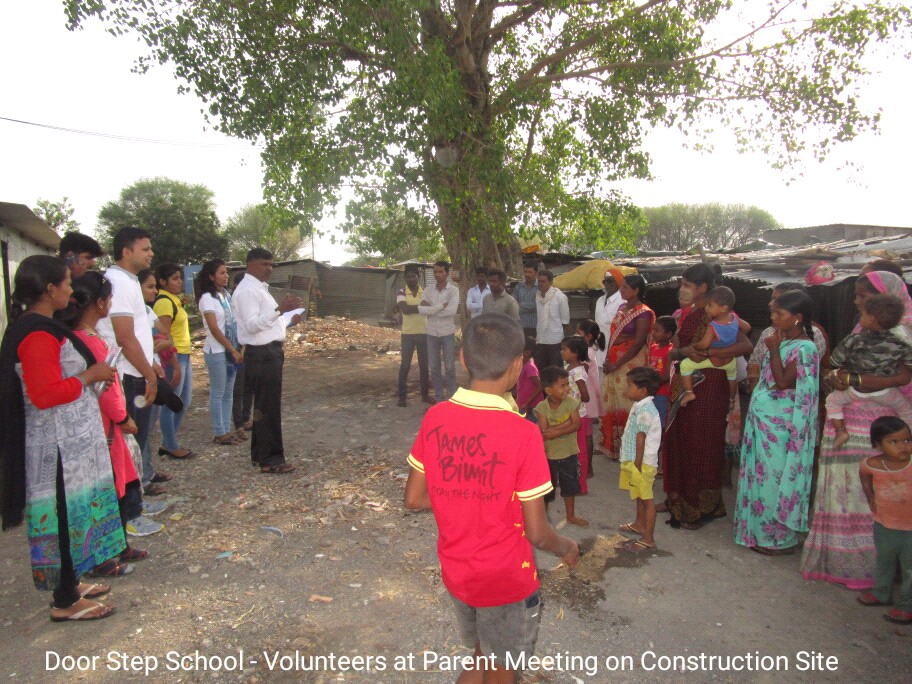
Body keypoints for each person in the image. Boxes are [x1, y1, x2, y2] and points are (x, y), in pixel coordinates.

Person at [404, 314, 579, 683]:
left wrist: (464, 496)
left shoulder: (436, 416)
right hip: (505, 581)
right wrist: (566, 547)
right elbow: (537, 532)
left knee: (482, 653)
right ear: (518, 365)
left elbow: (414, 498)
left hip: (459, 574)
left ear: (462, 358)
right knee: (502, 667)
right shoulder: (524, 433)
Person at [0, 255, 121, 622]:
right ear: (50, 289)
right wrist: (89, 376)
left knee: (73, 515)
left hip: (67, 446)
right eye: (67, 283)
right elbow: (44, 394)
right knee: (63, 519)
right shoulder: (37, 334)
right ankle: (65, 601)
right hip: (55, 450)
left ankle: (71, 583)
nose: (71, 289)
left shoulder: (43, 326)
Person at [801, 270, 912, 588]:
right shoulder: (864, 331)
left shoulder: (903, 333)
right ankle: (845, 562)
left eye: (864, 296)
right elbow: (836, 367)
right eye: (858, 296)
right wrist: (837, 377)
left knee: (870, 495)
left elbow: (903, 378)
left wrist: (853, 379)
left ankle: (875, 569)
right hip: (852, 420)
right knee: (845, 493)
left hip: (877, 425)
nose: (857, 302)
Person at [64, 271, 163, 567]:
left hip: (106, 425)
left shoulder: (84, 337)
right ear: (99, 303)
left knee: (120, 482)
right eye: (108, 299)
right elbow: (107, 389)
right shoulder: (90, 342)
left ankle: (118, 544)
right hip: (107, 427)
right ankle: (106, 551)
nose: (110, 304)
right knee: (111, 486)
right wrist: (122, 417)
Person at [662, 264, 753, 529]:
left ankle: (700, 507)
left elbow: (746, 345)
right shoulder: (690, 313)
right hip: (687, 383)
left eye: (687, 284)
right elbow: (678, 349)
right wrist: (683, 353)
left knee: (702, 445)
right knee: (681, 441)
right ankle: (678, 501)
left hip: (710, 387)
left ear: (702, 287)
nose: (682, 289)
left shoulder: (719, 314)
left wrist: (708, 353)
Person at [734, 290, 820, 555]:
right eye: (772, 312)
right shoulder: (783, 341)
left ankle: (778, 540)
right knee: (759, 478)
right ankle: (758, 533)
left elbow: (783, 382)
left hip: (782, 427)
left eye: (779, 313)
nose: (773, 317)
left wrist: (772, 350)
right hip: (764, 421)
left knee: (774, 479)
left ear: (797, 317)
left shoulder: (805, 348)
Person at [95, 227, 164, 491]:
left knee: (137, 443)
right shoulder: (119, 282)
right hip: (127, 376)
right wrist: (149, 375)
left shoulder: (129, 280)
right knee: (128, 445)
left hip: (136, 371)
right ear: (126, 252)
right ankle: (131, 507)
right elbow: (125, 337)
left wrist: (150, 364)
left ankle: (136, 501)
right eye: (145, 249)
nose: (151, 253)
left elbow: (138, 332)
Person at [232, 247, 302, 474]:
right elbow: (252, 325)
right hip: (261, 354)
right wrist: (280, 309)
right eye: (264, 264)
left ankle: (260, 454)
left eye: (271, 264)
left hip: (269, 352)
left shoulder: (260, 289)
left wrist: (287, 319)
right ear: (250, 264)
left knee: (264, 407)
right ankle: (271, 459)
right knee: (268, 407)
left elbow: (268, 324)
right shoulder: (247, 291)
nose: (269, 269)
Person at [828, 294, 912, 448]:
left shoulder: (854, 339)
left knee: (832, 401)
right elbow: (909, 363)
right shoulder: (901, 344)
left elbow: (835, 361)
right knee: (906, 410)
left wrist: (842, 367)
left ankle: (840, 431)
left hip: (855, 390)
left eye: (862, 314)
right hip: (886, 393)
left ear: (871, 318)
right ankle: (907, 438)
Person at [857, 416, 912, 624]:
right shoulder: (871, 464)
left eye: (907, 440)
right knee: (884, 561)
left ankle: (906, 606)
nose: (903, 446)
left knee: (909, 569)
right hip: (884, 525)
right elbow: (864, 476)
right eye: (894, 442)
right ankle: (881, 593)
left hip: (910, 529)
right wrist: (870, 497)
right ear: (878, 444)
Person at [600, 274, 654, 460]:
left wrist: (617, 363)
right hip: (613, 361)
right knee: (611, 401)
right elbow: (614, 335)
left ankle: (629, 448)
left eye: (625, 287)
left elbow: (638, 342)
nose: (621, 290)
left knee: (628, 403)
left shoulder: (644, 312)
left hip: (630, 363)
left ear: (636, 290)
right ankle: (612, 445)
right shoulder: (621, 308)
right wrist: (608, 359)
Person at [746, 282, 829, 393]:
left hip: (786, 400)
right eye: (772, 299)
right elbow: (754, 362)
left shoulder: (812, 337)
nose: (770, 303)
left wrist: (774, 350)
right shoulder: (768, 332)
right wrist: (754, 388)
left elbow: (787, 382)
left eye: (776, 299)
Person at [678, 286, 750, 408]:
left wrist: (695, 346)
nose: (706, 308)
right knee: (732, 377)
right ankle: (731, 399)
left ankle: (689, 392)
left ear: (723, 308)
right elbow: (747, 328)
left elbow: (704, 345)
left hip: (714, 360)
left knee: (685, 365)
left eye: (710, 305)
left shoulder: (713, 326)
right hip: (729, 360)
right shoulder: (734, 318)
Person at [197, 259, 244, 445]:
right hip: (217, 350)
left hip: (232, 349)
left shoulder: (226, 296)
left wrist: (239, 347)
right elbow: (214, 328)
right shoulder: (207, 298)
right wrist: (231, 349)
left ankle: (226, 428)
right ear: (211, 276)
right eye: (221, 273)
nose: (226, 276)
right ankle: (219, 431)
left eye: (226, 273)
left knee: (228, 392)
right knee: (218, 391)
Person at [617, 366, 663, 552]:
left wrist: (637, 463)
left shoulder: (646, 410)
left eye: (630, 386)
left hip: (642, 463)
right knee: (638, 494)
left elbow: (641, 437)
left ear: (643, 390)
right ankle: (639, 524)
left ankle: (648, 538)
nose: (626, 389)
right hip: (636, 461)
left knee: (647, 499)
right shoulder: (640, 405)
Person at [535, 366, 588, 528]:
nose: (567, 389)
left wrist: (555, 431)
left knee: (569, 486)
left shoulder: (571, 403)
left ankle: (570, 516)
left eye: (567, 384)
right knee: (546, 490)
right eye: (562, 386)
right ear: (549, 390)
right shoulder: (542, 407)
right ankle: (543, 519)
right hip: (549, 455)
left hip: (569, 453)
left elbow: (577, 424)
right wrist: (565, 424)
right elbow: (544, 432)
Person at [153, 263, 194, 459]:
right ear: (162, 281)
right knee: (171, 402)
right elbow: (164, 336)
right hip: (173, 358)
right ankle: (170, 444)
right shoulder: (164, 302)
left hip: (184, 354)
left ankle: (169, 441)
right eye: (175, 279)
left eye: (180, 278)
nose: (180, 282)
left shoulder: (174, 300)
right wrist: (174, 363)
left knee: (183, 402)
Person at [418, 261, 460, 402]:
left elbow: (451, 312)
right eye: (435, 271)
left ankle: (451, 398)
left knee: (449, 367)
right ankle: (439, 399)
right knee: (434, 368)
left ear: (447, 273)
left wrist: (431, 309)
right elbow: (421, 310)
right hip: (431, 333)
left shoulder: (453, 290)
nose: (437, 274)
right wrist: (441, 306)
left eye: (441, 271)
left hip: (447, 333)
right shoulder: (428, 290)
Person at [395, 265, 432, 408]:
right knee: (405, 366)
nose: (411, 279)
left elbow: (429, 309)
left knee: (424, 366)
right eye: (408, 276)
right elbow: (405, 310)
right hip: (408, 335)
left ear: (418, 277)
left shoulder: (426, 292)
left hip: (424, 333)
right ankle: (402, 397)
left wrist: (419, 308)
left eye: (413, 276)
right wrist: (422, 307)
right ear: (405, 278)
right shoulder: (401, 291)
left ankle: (425, 395)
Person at [561, 335, 591, 493]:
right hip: (567, 414)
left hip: (577, 415)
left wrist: (572, 398)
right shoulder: (568, 367)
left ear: (575, 352)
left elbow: (585, 396)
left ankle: (581, 484)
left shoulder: (577, 372)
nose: (561, 352)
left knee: (579, 450)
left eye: (564, 349)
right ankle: (569, 479)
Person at [575, 320, 605, 463]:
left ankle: (587, 466)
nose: (575, 336)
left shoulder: (586, 353)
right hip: (589, 395)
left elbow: (582, 374)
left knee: (586, 433)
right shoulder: (589, 350)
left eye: (578, 333)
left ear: (588, 336)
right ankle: (587, 466)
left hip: (586, 397)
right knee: (586, 432)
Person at [231, 271, 254, 438]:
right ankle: (238, 423)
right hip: (237, 349)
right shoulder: (233, 301)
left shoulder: (248, 300)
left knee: (249, 387)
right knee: (238, 388)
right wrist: (240, 347)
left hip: (248, 347)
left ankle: (246, 418)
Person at [533, 270, 570, 372]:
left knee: (555, 371)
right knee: (541, 370)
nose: (540, 284)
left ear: (550, 282)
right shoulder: (538, 296)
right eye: (539, 281)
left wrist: (556, 333)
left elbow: (565, 321)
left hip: (555, 340)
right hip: (541, 339)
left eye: (543, 281)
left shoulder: (560, 297)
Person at [649, 316, 676, 432]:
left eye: (657, 330)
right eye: (653, 329)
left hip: (662, 393)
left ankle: (659, 443)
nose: (653, 333)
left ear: (668, 334)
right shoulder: (652, 348)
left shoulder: (670, 351)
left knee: (659, 423)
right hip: (650, 392)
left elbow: (667, 376)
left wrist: (651, 380)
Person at [516, 337, 543, 422]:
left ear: (527, 352)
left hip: (531, 406)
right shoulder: (522, 364)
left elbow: (540, 386)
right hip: (524, 404)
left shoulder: (530, 367)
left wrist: (527, 402)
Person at [513, 262, 540, 340]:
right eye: (525, 272)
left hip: (536, 327)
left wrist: (520, 305)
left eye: (530, 272)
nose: (527, 274)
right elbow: (513, 305)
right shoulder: (518, 287)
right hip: (520, 326)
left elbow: (538, 305)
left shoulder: (540, 287)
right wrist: (530, 306)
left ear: (536, 273)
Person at [594, 268, 624, 336]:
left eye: (610, 281)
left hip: (614, 341)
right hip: (599, 341)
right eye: (605, 282)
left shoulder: (622, 301)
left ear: (618, 282)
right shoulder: (600, 300)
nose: (607, 284)